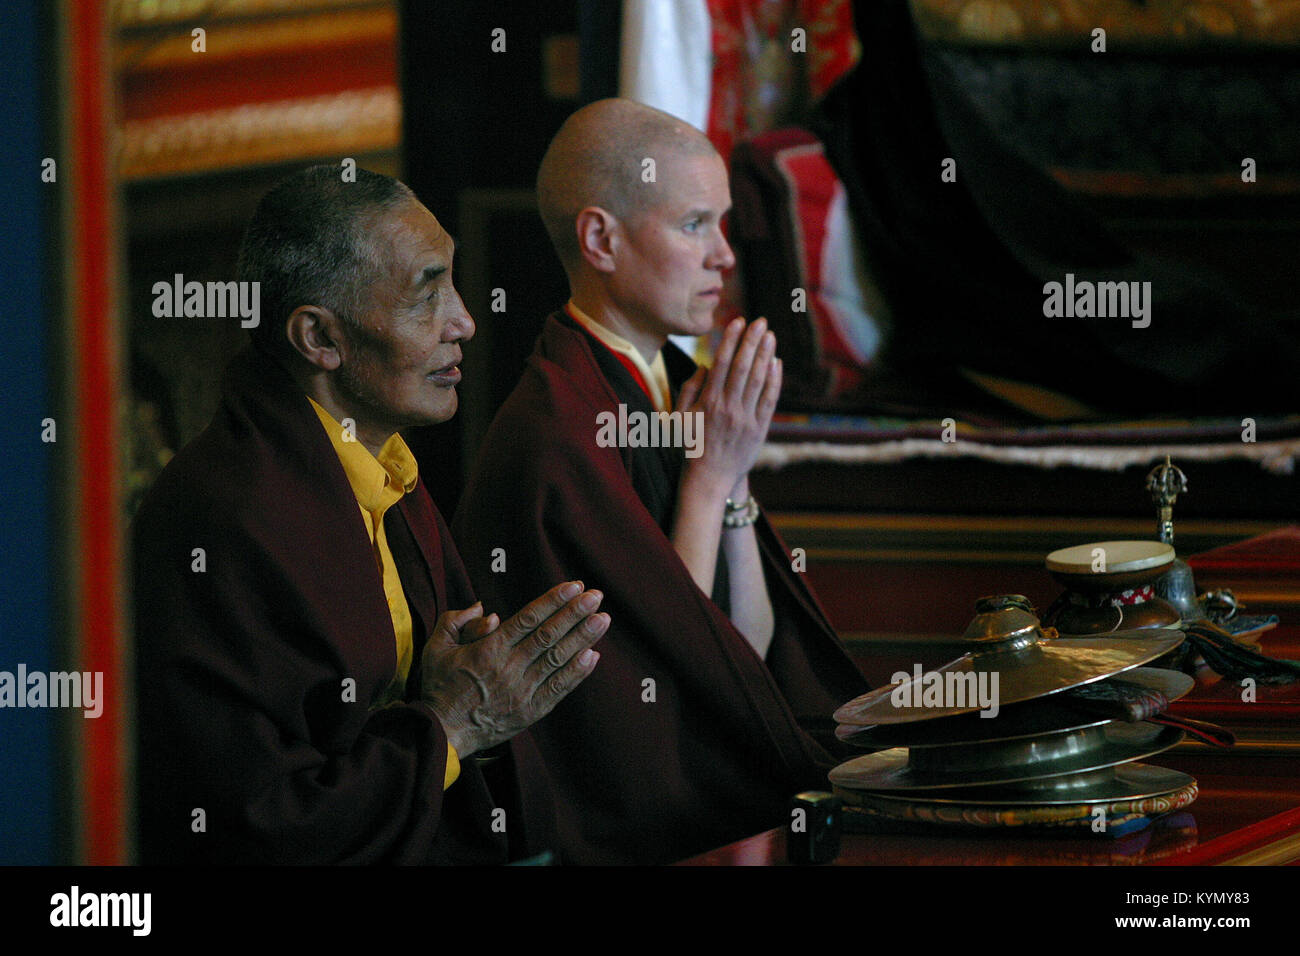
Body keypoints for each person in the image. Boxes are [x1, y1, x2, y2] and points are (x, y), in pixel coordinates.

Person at [131, 165, 609, 864]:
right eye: (427, 293)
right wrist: (451, 724)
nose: (464, 322)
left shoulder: (384, 471)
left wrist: (451, 702)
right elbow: (259, 821)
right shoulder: (223, 520)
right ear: (320, 339)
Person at [452, 99, 869, 865]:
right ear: (600, 239)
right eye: (693, 225)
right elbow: (641, 717)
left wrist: (732, 479)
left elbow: (740, 653)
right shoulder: (556, 431)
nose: (726, 256)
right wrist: (710, 479)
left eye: (723, 223)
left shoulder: (670, 386)